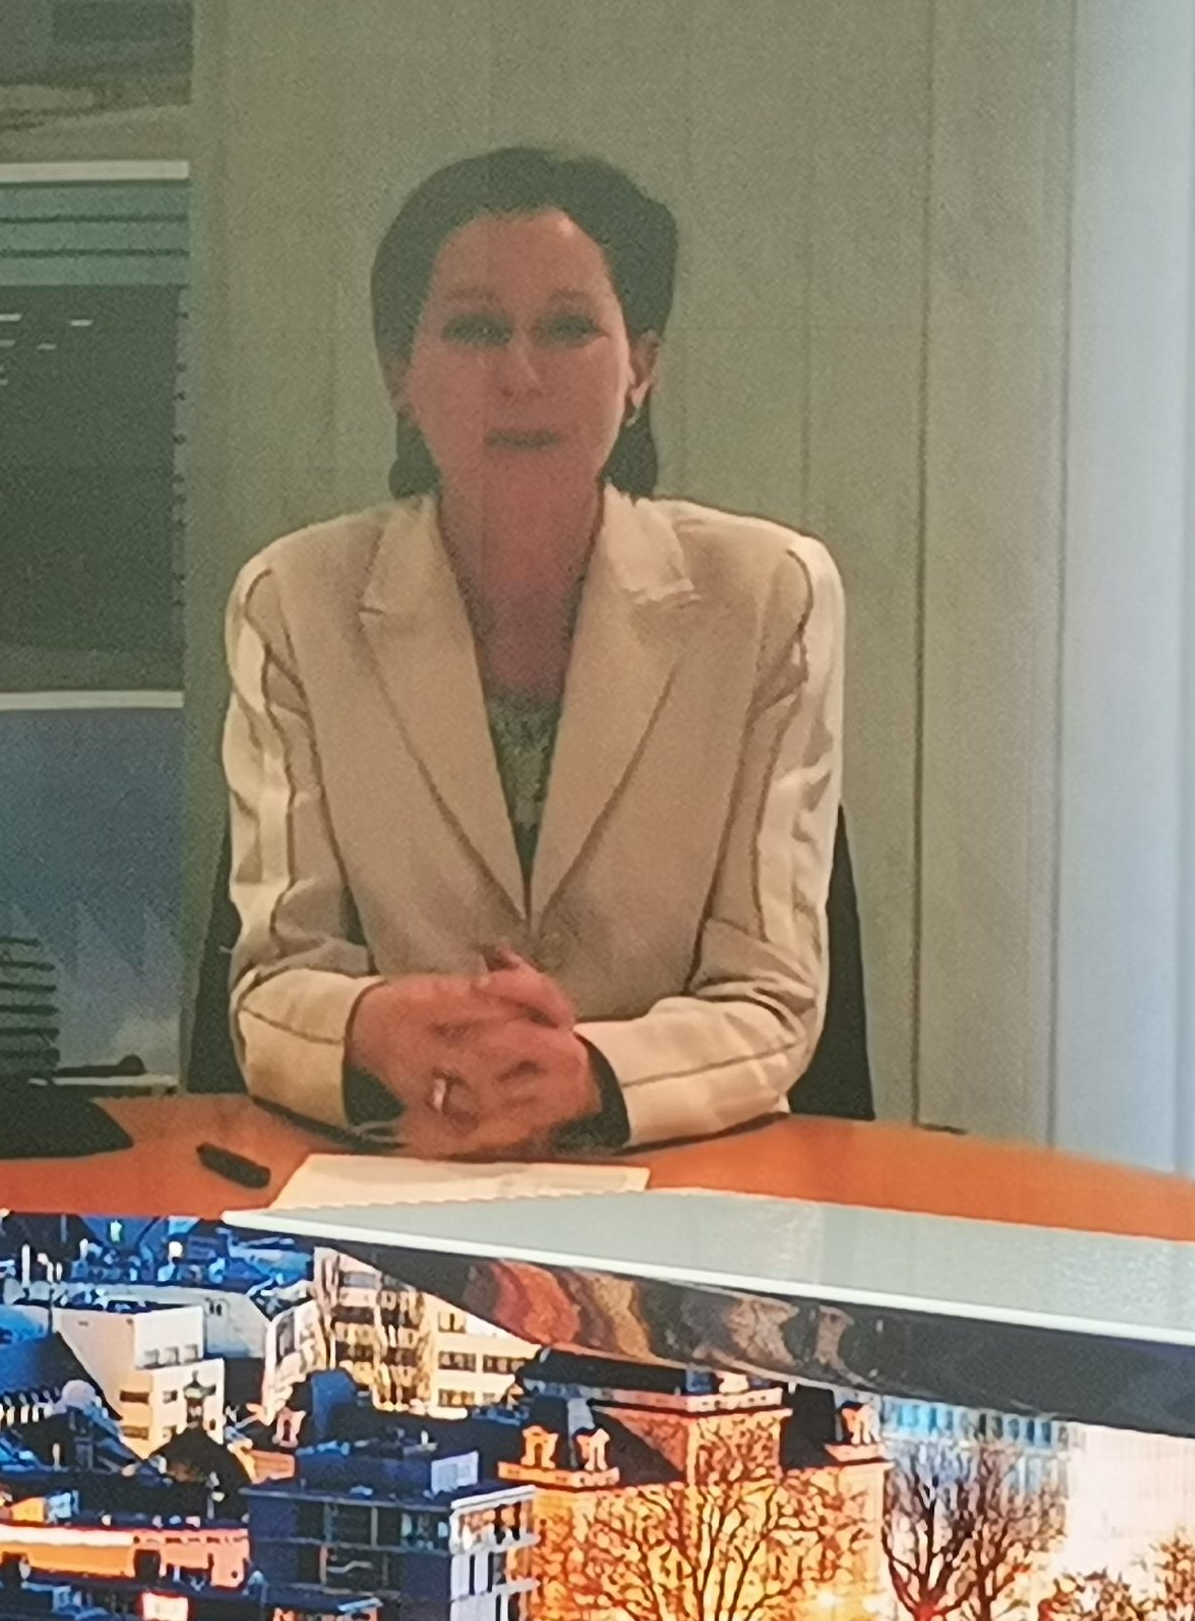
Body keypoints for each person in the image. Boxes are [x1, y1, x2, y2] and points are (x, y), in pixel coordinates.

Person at [221, 146, 843, 1154]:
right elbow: (271, 986)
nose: (520, 375)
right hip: (402, 1168)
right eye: (474, 330)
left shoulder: (767, 594)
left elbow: (773, 998)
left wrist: (591, 1071)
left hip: (675, 1174)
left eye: (568, 329)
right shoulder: (294, 601)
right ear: (398, 373)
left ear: (641, 368)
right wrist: (375, 1026)